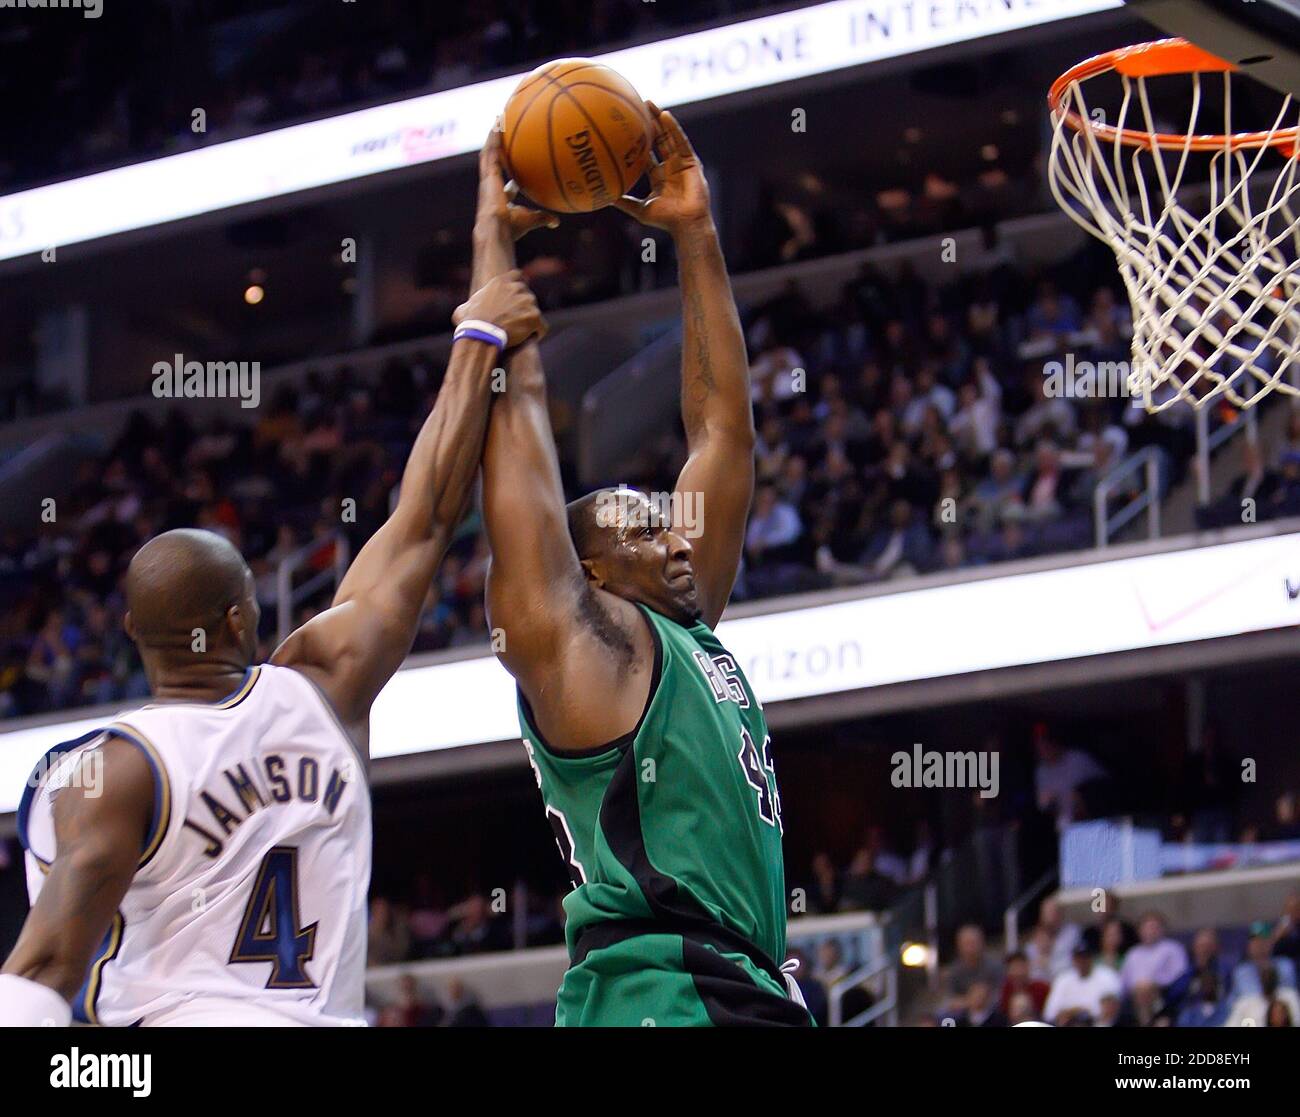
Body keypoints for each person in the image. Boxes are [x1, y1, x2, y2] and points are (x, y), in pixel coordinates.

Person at [0, 136, 548, 1028]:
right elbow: (426, 515)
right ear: (241, 616)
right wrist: (479, 320)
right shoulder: (324, 686)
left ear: (134, 636)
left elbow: (49, 960)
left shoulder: (112, 770)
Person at [473, 105, 811, 1026]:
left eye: (669, 522)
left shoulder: (678, 630)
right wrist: (492, 257)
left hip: (738, 987)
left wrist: (696, 233)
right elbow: (520, 472)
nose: (673, 537)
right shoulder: (584, 650)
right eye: (641, 529)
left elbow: (720, 432)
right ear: (586, 573)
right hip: (658, 993)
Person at [1043, 945, 1122, 1026]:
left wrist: (1084, 1012)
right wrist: (1074, 1011)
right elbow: (1049, 1014)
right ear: (1073, 960)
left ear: (1092, 958)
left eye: (1085, 957)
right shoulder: (1062, 979)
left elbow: (1111, 1011)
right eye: (1079, 958)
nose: (1082, 961)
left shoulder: (1108, 976)